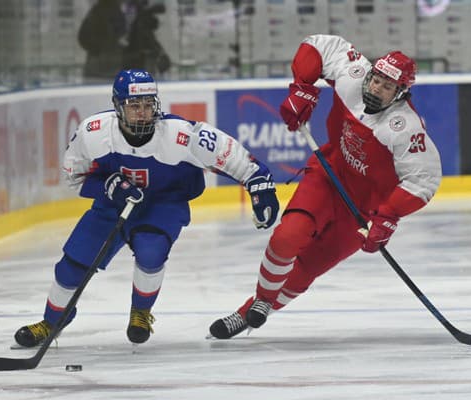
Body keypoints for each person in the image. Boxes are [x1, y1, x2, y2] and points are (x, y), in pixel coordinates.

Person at [14, 69, 279, 347]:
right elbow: (74, 178)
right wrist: (107, 187)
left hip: (163, 203)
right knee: (72, 266)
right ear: (118, 106)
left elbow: (229, 155)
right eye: (134, 106)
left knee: (151, 252)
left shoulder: (180, 134)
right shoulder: (93, 133)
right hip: (112, 206)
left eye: (148, 105)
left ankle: (140, 313)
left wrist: (259, 183)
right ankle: (51, 323)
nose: (143, 113)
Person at [209, 34, 442, 339]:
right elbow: (319, 45)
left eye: (387, 87)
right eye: (377, 80)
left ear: (400, 94)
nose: (377, 88)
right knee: (288, 236)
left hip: (360, 212)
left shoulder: (405, 127)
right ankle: (263, 302)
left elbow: (424, 179)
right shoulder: (353, 77)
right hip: (328, 176)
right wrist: (302, 87)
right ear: (370, 73)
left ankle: (246, 313)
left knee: (305, 271)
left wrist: (387, 216)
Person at [78, 0, 129, 82]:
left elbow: (82, 37)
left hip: (98, 59)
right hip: (105, 60)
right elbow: (121, 31)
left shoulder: (96, 11)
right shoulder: (111, 11)